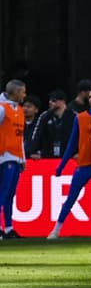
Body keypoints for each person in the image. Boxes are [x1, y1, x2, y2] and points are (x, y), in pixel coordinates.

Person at [48, 87, 91, 239]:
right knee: (71, 197)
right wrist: (61, 166)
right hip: (84, 164)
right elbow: (72, 144)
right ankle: (56, 230)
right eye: (90, 97)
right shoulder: (80, 118)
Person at [0, 80, 26, 241]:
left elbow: (20, 136)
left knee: (10, 194)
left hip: (16, 157)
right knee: (3, 193)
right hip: (4, 157)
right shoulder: (2, 109)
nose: (24, 95)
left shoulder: (19, 110)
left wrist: (23, 158)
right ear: (15, 92)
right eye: (22, 92)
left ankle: (9, 228)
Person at [30, 89, 76, 159]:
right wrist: (33, 151)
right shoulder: (44, 116)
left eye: (54, 100)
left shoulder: (74, 116)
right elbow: (36, 135)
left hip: (69, 157)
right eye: (50, 100)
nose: (50, 102)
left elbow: (81, 136)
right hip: (48, 156)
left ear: (62, 102)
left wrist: (79, 152)